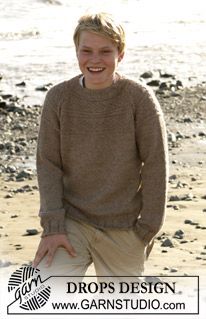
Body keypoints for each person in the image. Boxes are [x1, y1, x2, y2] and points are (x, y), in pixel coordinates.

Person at [33, 12, 168, 280]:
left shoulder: (138, 98)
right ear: (76, 52)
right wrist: (53, 226)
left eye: (105, 51)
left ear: (120, 54)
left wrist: (147, 228)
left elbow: (155, 163)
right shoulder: (58, 97)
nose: (95, 60)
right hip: (71, 221)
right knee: (43, 295)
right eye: (87, 51)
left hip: (125, 227)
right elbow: (48, 163)